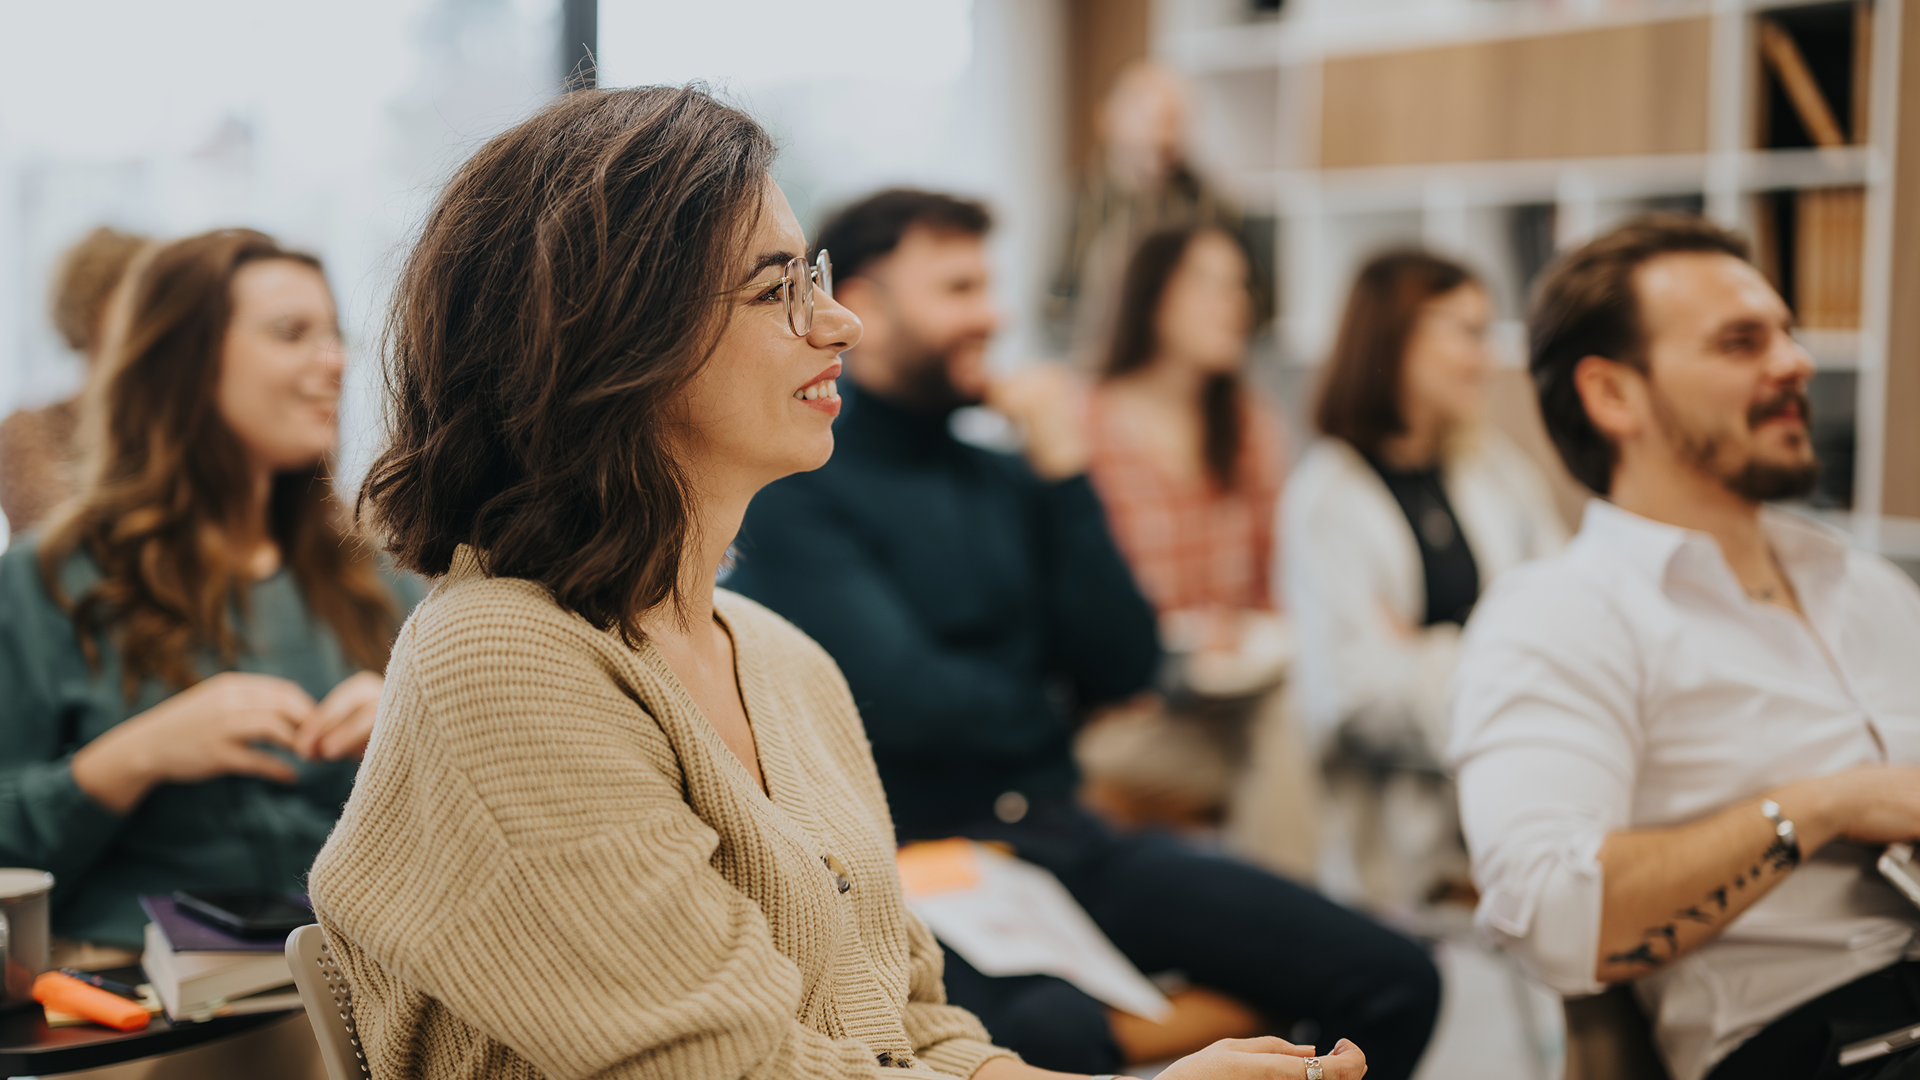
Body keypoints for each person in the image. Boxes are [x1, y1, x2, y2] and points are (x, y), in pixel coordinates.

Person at [308, 87, 1365, 1080]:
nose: (839, 324)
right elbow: (731, 1065)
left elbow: (917, 1031)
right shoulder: (503, 657)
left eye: (810, 279)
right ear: (619, 342)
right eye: (780, 291)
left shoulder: (779, 658)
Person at [728, 187, 1437, 1078]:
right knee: (1053, 1034)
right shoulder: (802, 482)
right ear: (863, 303)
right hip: (922, 859)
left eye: (989, 285)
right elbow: (901, 703)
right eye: (959, 288)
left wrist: (1066, 473)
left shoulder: (1009, 474)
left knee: (1394, 976)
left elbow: (1126, 662)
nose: (995, 314)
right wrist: (1052, 706)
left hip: (1064, 833)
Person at [1451, 214, 1920, 1080]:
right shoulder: (1560, 615)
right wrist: (1825, 806)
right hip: (1826, 1042)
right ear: (1613, 396)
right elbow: (1550, 918)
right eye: (1742, 343)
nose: (1795, 363)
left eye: (1787, 334)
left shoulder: (1870, 588)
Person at [0, 228, 422, 959]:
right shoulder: (51, 581)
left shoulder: (373, 575)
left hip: (348, 1003)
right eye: (293, 334)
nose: (333, 363)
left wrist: (413, 738)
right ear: (185, 363)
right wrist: (137, 755)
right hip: (134, 1019)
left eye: (334, 336)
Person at [1283, 250, 1566, 908]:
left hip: (1517, 782)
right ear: (1396, 336)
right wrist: (1502, 660)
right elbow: (1353, 697)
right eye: (1466, 333)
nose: (1487, 358)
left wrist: (1427, 651)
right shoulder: (1327, 497)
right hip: (1403, 822)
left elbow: (1562, 619)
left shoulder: (1493, 468)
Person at [1077, 223, 1308, 872]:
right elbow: (1070, 609)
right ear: (1151, 297)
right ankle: (1302, 931)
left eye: (1238, 286)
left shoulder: (1250, 426)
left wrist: (1246, 628)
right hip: (1126, 715)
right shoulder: (1081, 429)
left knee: (1294, 722)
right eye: (1208, 284)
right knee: (1293, 758)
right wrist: (1178, 640)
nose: (1234, 305)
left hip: (1237, 699)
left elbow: (1278, 583)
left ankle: (1291, 931)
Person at [0, 226, 147, 537]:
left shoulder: (162, 427)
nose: (153, 314)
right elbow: (54, 532)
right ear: (93, 307)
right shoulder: (25, 429)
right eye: (139, 296)